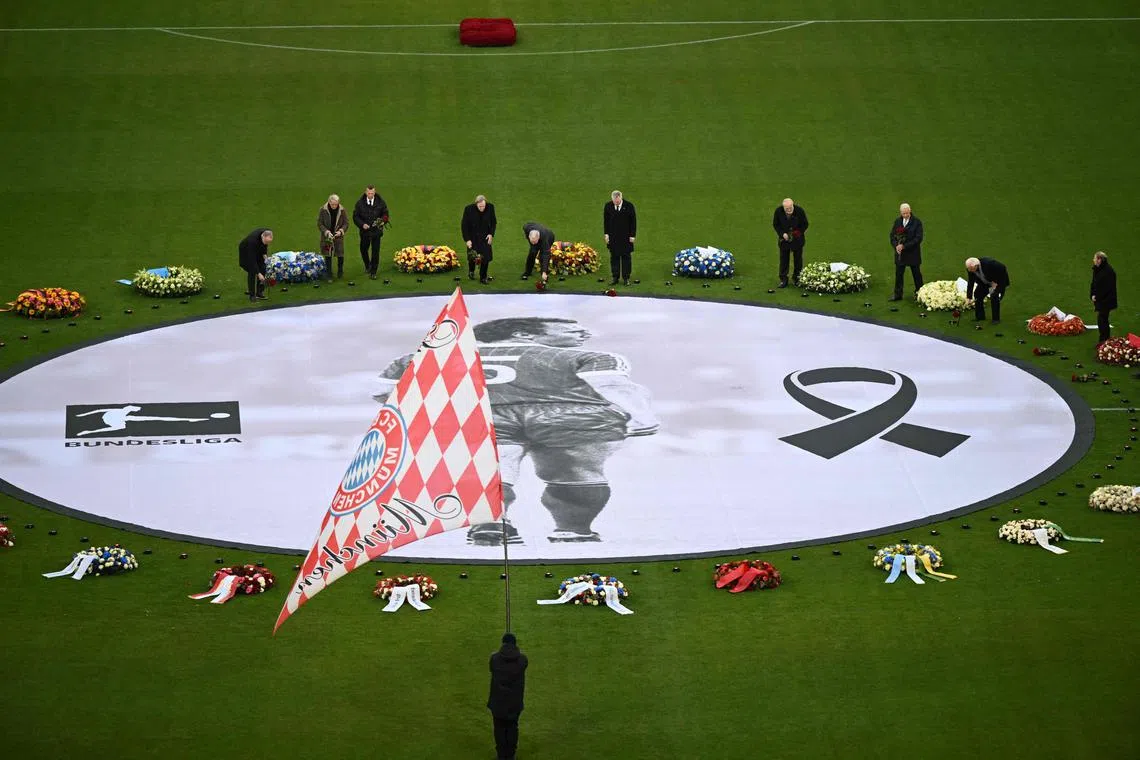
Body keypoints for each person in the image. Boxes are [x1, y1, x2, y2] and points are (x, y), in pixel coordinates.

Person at [374, 317, 658, 545]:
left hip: (485, 413)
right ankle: (573, 529)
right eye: (572, 329)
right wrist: (642, 417)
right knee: (575, 470)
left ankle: (492, 521)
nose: (584, 334)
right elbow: (612, 384)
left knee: (494, 467)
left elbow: (384, 391)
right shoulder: (589, 357)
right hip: (567, 415)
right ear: (524, 334)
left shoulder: (428, 356)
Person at [487, 632, 527, 760]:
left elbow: (492, 665)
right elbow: (523, 660)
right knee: (512, 728)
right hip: (514, 703)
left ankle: (501, 755)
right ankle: (511, 756)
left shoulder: (495, 659)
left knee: (499, 729)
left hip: (498, 703)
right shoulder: (522, 660)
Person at [353, 185, 389, 279]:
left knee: (375, 252)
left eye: (372, 193)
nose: (370, 195)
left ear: (374, 192)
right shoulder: (360, 203)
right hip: (365, 232)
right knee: (363, 249)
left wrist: (381, 221)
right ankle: (367, 265)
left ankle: (373, 271)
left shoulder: (381, 202)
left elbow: (385, 214)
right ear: (366, 193)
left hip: (376, 231)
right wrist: (362, 224)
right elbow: (355, 217)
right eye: (369, 193)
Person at [889, 203, 924, 301]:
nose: (905, 215)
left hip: (913, 253)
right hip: (900, 254)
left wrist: (904, 246)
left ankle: (920, 294)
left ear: (910, 211)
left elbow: (918, 238)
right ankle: (897, 295)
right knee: (899, 274)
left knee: (916, 274)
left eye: (907, 213)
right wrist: (896, 246)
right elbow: (892, 236)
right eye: (903, 213)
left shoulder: (917, 222)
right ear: (900, 212)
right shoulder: (898, 221)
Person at [772, 197, 809, 288]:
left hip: (797, 240)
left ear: (793, 205)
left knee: (798, 260)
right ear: (783, 207)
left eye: (790, 208)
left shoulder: (799, 211)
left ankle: (797, 278)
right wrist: (782, 234)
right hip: (784, 241)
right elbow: (776, 224)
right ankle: (783, 279)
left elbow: (805, 224)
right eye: (787, 209)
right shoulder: (778, 212)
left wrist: (798, 232)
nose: (789, 210)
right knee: (784, 260)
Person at [603, 190, 637, 286]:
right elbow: (606, 221)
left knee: (626, 257)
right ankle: (615, 277)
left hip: (626, 237)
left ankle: (626, 278)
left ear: (620, 198)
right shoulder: (608, 206)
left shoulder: (629, 206)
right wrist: (606, 234)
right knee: (614, 257)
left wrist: (632, 235)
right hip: (613, 236)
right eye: (614, 201)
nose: (616, 203)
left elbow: (633, 222)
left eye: (617, 201)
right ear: (612, 199)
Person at [462, 194, 497, 283]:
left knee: (486, 258)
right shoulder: (468, 209)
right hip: (473, 237)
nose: (482, 208)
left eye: (483, 206)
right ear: (476, 204)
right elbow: (464, 226)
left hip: (485, 236)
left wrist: (491, 234)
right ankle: (471, 271)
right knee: (472, 256)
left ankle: (483, 277)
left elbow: (493, 222)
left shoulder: (490, 208)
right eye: (480, 206)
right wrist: (467, 239)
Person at [965, 256, 1010, 323]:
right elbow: (971, 281)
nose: (969, 270)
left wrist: (997, 284)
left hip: (998, 282)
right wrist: (969, 297)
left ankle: (996, 319)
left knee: (994, 296)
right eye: (968, 269)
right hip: (984, 282)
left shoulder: (989, 264)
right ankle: (980, 317)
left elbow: (1003, 268)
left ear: (976, 266)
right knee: (977, 294)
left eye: (971, 269)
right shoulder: (970, 268)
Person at [318, 194, 349, 282]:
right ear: (329, 202)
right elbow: (320, 224)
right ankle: (329, 274)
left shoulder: (342, 210)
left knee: (340, 254)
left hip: (338, 237)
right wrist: (326, 232)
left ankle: (340, 271)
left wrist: (341, 231)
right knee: (328, 254)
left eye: (336, 204)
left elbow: (346, 223)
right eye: (332, 204)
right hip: (327, 237)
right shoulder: (323, 210)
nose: (334, 206)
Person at [238, 228, 272, 303]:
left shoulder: (267, 233)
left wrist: (266, 259)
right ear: (263, 236)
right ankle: (252, 295)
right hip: (246, 251)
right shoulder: (252, 242)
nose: (267, 244)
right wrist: (259, 274)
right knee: (252, 271)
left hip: (257, 248)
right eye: (266, 242)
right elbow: (252, 260)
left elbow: (264, 246)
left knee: (263, 267)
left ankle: (259, 292)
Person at [1090, 251, 1117, 342]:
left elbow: (1106, 288)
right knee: (1102, 319)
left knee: (1102, 319)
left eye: (1095, 258)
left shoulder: (1108, 272)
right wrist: (1092, 294)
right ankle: (1104, 340)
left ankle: (1104, 340)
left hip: (1106, 300)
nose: (1093, 260)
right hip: (1102, 299)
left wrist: (1096, 296)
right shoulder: (1098, 269)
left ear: (1099, 259)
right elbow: (1094, 284)